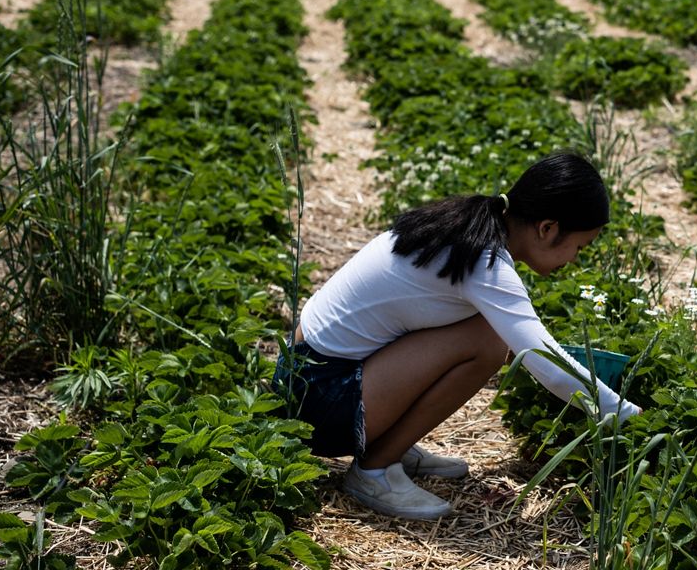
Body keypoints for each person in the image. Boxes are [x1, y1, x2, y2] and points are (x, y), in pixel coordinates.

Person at [272, 151, 641, 520]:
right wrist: (629, 415)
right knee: (488, 341)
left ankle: (389, 442)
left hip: (303, 378)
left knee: (492, 333)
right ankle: (374, 470)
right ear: (547, 228)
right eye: (579, 246)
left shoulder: (465, 228)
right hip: (319, 403)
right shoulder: (485, 262)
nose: (575, 258)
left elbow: (531, 352)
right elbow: (545, 362)